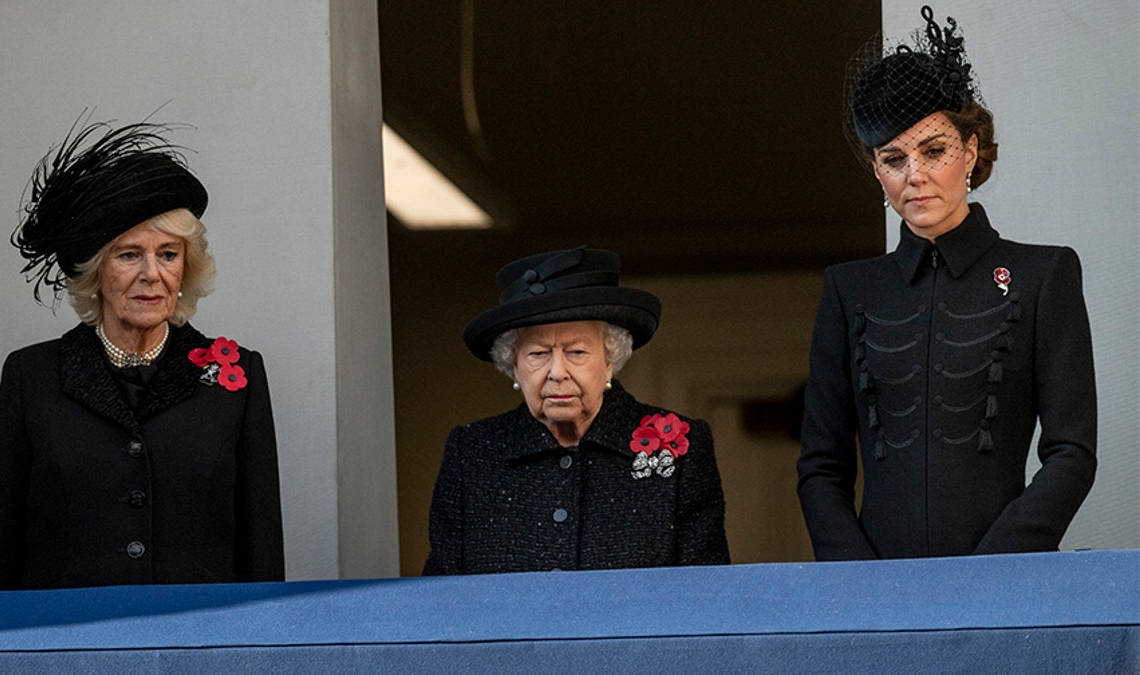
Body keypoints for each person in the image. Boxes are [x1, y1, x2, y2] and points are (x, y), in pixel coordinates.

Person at [796, 6, 1096, 560]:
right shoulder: (848, 290)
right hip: (876, 595)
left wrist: (995, 570)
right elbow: (821, 465)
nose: (916, 175)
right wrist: (862, 582)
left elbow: (1071, 453)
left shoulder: (1044, 274)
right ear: (876, 170)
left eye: (934, 150)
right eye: (893, 158)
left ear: (970, 150)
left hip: (1005, 584)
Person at [0, 116, 285, 590]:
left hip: (197, 647)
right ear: (96, 273)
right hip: (67, 648)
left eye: (168, 254)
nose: (152, 274)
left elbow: (260, 550)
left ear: (186, 268)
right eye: (129, 254)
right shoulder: (30, 376)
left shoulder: (235, 376)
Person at [423, 246, 730, 574]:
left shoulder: (681, 446)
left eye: (577, 351)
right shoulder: (472, 453)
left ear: (610, 359)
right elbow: (442, 597)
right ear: (513, 365)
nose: (558, 372)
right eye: (538, 354)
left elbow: (705, 594)